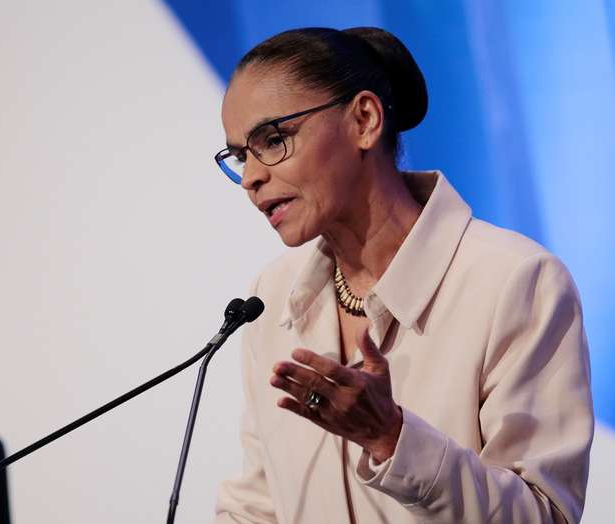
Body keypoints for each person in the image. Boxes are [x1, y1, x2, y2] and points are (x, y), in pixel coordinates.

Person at [212, 27, 593, 523]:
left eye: (274, 140)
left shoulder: (516, 282)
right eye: (241, 155)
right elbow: (259, 504)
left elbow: (543, 515)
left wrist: (391, 439)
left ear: (364, 121)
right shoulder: (271, 296)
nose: (250, 178)